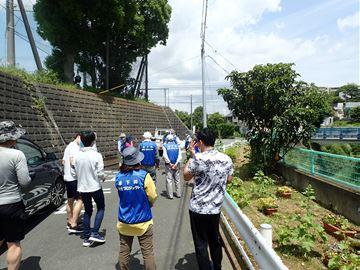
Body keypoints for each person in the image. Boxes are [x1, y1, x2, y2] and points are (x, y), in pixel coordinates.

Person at [183, 128, 233, 270]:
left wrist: (192, 156)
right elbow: (229, 179)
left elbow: (186, 176)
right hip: (215, 209)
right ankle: (217, 267)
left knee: (201, 243)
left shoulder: (198, 159)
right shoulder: (226, 159)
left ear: (200, 142)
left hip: (197, 209)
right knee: (214, 241)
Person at [115, 147, 157, 270]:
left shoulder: (118, 178)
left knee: (124, 252)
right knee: (148, 253)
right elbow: (153, 196)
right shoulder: (144, 176)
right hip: (143, 221)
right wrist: (149, 203)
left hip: (124, 221)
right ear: (137, 160)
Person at [0, 121, 31, 270]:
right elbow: (24, 182)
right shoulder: (17, 154)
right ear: (12, 138)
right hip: (11, 204)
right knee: (13, 244)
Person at [71, 131, 106, 247]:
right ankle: (95, 232)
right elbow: (100, 172)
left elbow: (74, 173)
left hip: (82, 187)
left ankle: (86, 237)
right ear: (93, 141)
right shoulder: (97, 155)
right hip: (95, 186)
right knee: (101, 208)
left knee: (88, 211)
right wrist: (103, 177)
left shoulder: (77, 155)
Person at [62, 133, 83, 233]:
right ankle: (73, 224)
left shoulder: (68, 146)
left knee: (70, 200)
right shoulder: (74, 147)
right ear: (78, 137)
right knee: (80, 200)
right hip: (74, 178)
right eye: (81, 139)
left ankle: (70, 221)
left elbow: (63, 161)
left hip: (67, 177)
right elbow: (73, 162)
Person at [163, 134, 182, 199]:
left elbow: (165, 156)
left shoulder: (165, 146)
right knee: (177, 180)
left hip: (169, 165)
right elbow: (180, 156)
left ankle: (170, 195)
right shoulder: (177, 146)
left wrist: (170, 164)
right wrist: (176, 164)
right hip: (177, 165)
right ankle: (178, 194)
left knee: (169, 180)